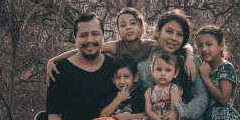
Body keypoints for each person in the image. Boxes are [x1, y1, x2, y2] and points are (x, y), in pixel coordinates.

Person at [46, 6, 197, 83]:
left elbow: (183, 45)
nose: (128, 27)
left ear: (141, 27)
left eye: (132, 23)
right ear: (118, 30)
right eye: (123, 25)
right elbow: (83, 50)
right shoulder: (115, 46)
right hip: (121, 88)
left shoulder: (150, 45)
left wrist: (189, 58)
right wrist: (54, 60)